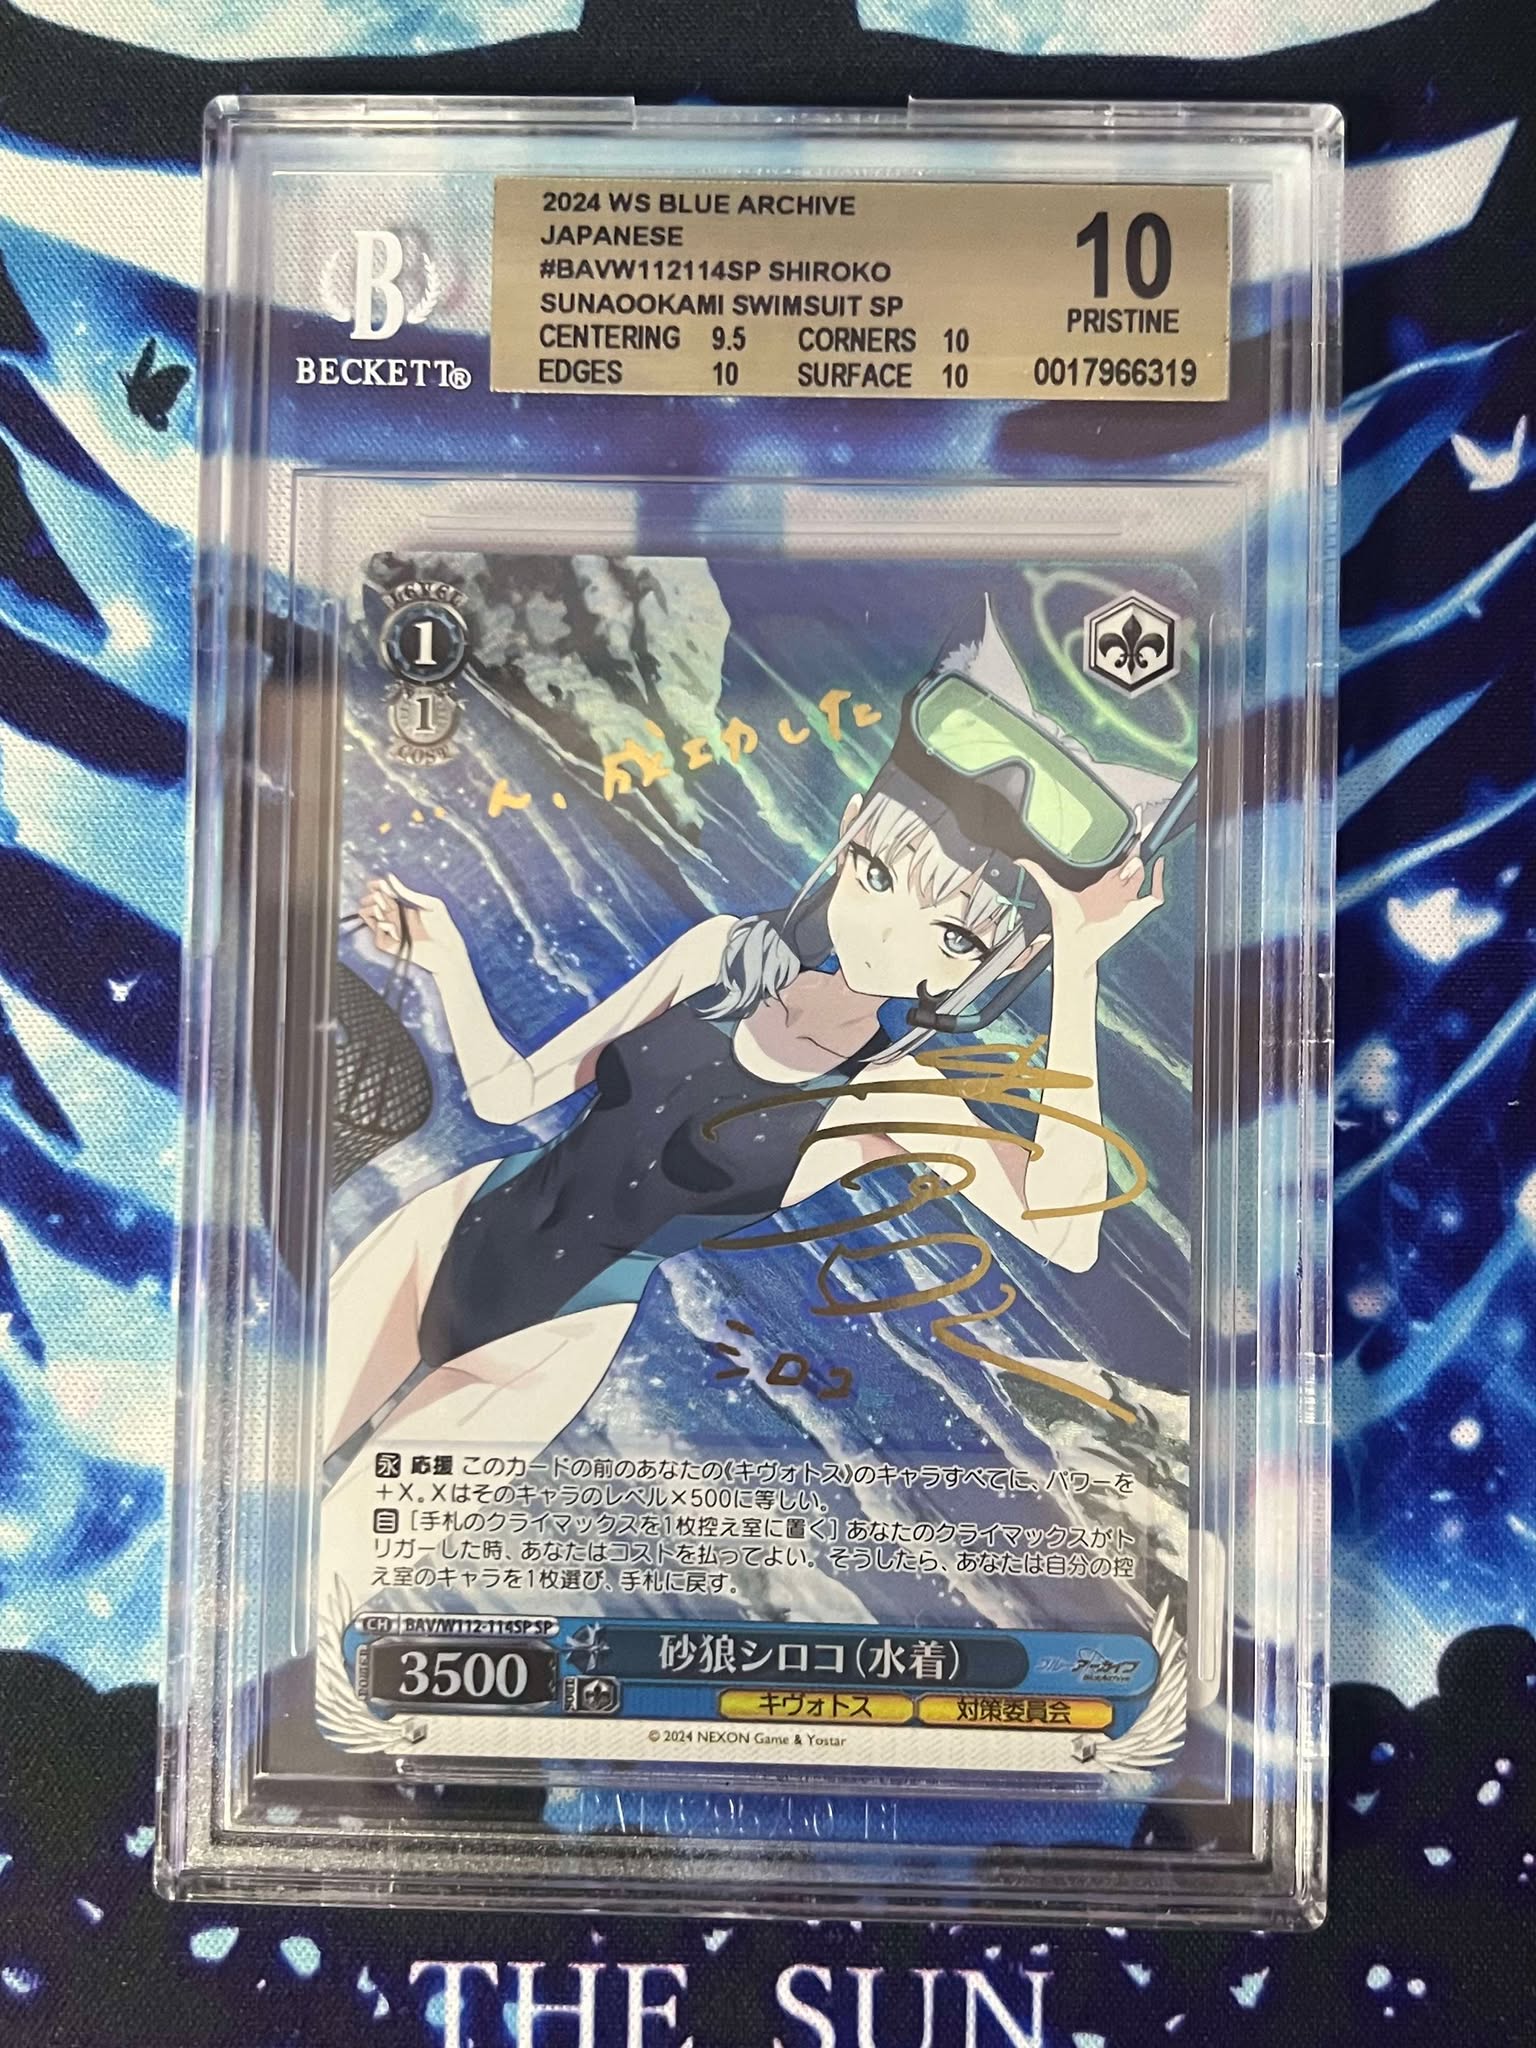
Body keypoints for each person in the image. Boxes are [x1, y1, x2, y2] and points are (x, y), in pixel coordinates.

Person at [322, 600, 1176, 1487]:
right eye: (877, 873)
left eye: (956, 938)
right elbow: (511, 1096)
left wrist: (1079, 965)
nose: (888, 935)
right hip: (443, 1231)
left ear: (1011, 960)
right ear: (849, 829)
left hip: (548, 1346)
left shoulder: (889, 1091)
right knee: (258, 1493)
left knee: (345, 1561)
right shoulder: (719, 953)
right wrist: (447, 959)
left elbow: (1066, 1234)